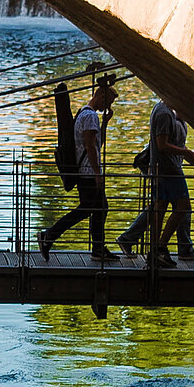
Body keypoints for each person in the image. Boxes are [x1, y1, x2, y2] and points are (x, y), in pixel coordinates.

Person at [118, 93, 194, 267]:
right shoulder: (164, 113)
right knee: (183, 207)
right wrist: (187, 153)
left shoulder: (170, 113)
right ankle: (161, 247)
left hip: (166, 169)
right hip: (168, 170)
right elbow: (162, 145)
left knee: (159, 209)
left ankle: (156, 252)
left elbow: (176, 144)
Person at [38, 76, 117, 260]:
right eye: (108, 102)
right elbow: (90, 147)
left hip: (87, 172)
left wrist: (105, 122)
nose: (108, 107)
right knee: (87, 209)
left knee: (100, 208)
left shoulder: (84, 113)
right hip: (88, 173)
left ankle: (97, 249)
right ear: (100, 96)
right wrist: (98, 174)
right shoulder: (90, 117)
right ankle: (49, 235)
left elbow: (98, 144)